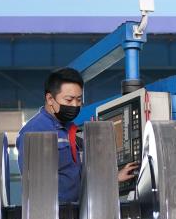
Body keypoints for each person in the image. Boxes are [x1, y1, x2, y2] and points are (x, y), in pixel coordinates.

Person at [17, 67, 138, 203]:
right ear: (50, 99)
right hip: (53, 212)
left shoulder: (70, 129)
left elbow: (77, 177)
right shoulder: (35, 131)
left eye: (79, 100)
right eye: (69, 100)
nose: (75, 105)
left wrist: (113, 178)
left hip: (77, 210)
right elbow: (35, 188)